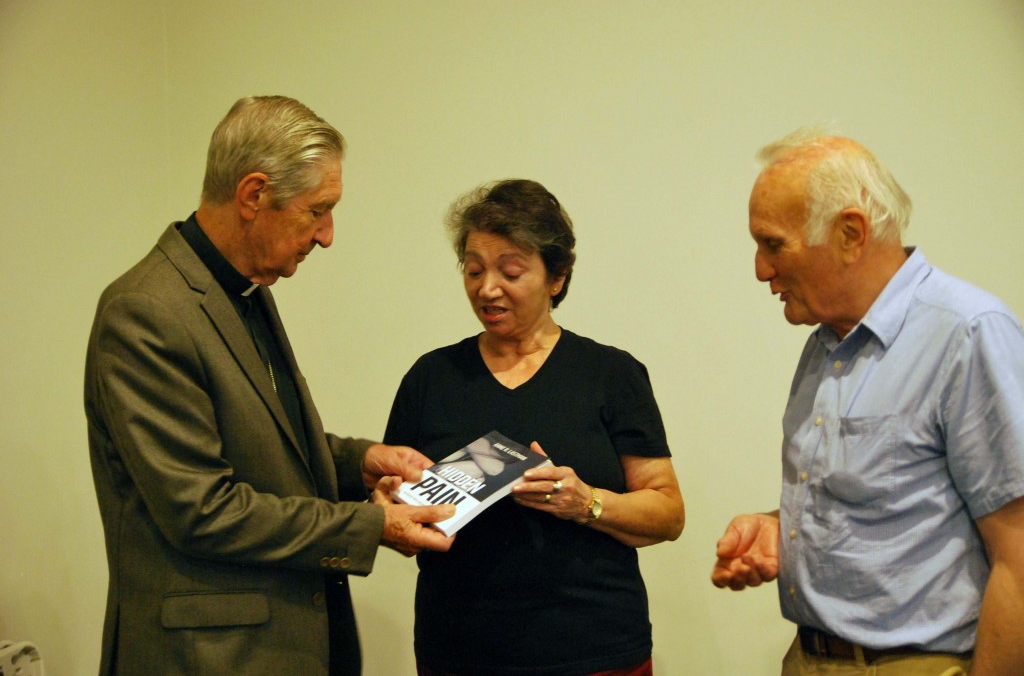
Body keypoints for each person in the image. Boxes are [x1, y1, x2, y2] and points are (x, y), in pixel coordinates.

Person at [84, 95, 455, 676]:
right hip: (207, 657)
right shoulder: (145, 311)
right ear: (254, 195)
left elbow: (265, 445)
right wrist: (371, 525)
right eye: (317, 211)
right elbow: (202, 510)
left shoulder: (243, 289)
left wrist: (359, 463)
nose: (328, 235)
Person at [711, 127, 1024, 675]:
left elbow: (1020, 557)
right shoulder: (825, 346)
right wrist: (782, 527)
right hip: (810, 658)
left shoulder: (967, 333)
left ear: (850, 233)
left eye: (772, 243)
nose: (761, 269)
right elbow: (891, 501)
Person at [380, 179, 685, 676]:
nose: (487, 288)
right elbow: (394, 495)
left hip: (593, 649)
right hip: (457, 651)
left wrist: (586, 502)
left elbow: (668, 513)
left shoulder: (610, 374)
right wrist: (391, 504)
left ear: (557, 276)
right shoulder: (430, 377)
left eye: (511, 271)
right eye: (474, 270)